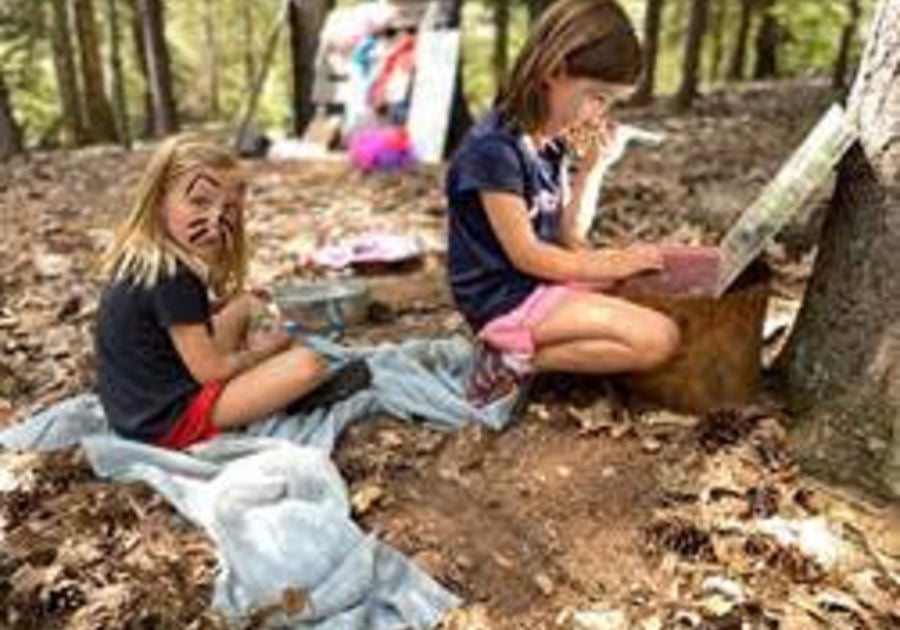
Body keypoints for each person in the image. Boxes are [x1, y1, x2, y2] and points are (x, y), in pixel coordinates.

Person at [445, 0, 680, 406]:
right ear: (553, 70)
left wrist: (593, 169)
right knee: (659, 338)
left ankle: (523, 352)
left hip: (542, 285)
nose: (600, 111)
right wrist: (609, 264)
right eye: (596, 96)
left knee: (647, 292)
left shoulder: (550, 142)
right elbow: (528, 255)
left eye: (609, 101)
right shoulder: (493, 150)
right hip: (505, 299)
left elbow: (571, 236)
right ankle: (509, 359)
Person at [95, 135, 335, 449]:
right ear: (158, 201)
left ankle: (265, 377)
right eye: (199, 201)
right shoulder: (173, 277)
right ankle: (273, 378)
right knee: (309, 365)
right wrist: (264, 352)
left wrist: (224, 316)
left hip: (139, 406)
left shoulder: (147, 257)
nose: (215, 219)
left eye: (230, 208)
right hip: (167, 422)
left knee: (246, 304)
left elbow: (167, 328)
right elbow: (211, 372)